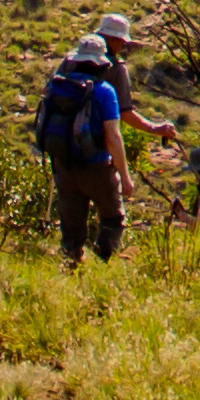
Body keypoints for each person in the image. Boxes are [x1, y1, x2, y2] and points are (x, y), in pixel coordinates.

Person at [35, 17, 138, 266]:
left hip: (64, 165)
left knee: (71, 230)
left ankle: (70, 267)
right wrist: (125, 176)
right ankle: (103, 263)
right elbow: (113, 136)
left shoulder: (57, 84)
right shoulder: (104, 91)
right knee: (113, 219)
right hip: (97, 166)